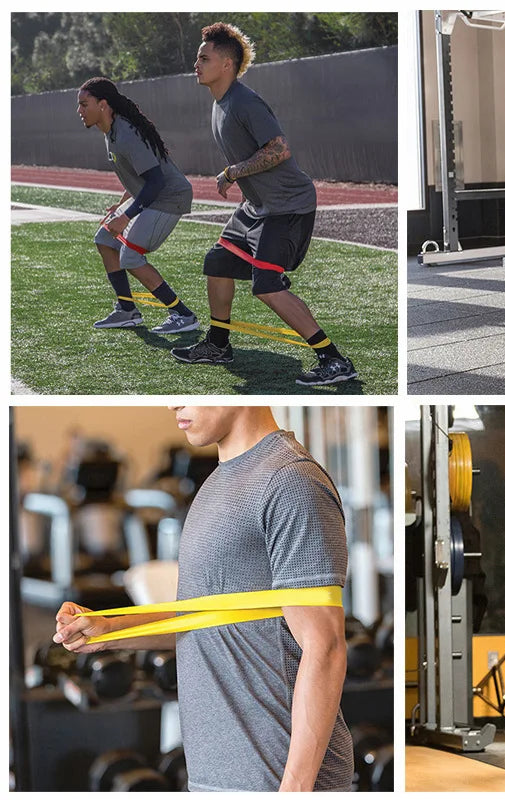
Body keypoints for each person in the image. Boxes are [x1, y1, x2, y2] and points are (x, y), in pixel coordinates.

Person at [53, 406, 353, 791]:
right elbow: (206, 618)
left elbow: (325, 647)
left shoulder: (290, 480)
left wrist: (294, 789)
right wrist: (107, 630)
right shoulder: (216, 483)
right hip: (215, 776)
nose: (173, 403)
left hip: (275, 777)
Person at [170, 23, 357, 387]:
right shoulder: (220, 104)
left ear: (226, 64)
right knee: (217, 262)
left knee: (267, 286)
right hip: (255, 209)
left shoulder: (244, 102)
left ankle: (333, 359)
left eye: (204, 58)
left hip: (287, 207)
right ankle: (218, 345)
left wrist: (234, 172)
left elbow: (279, 149)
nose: (197, 63)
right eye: (197, 57)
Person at [77, 78, 198, 333]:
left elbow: (155, 181)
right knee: (104, 239)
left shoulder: (126, 133)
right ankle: (127, 310)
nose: (79, 110)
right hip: (153, 193)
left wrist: (127, 215)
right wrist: (121, 205)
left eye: (84, 104)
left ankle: (182, 314)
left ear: (102, 104)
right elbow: (138, 176)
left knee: (130, 256)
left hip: (169, 196)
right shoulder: (110, 131)